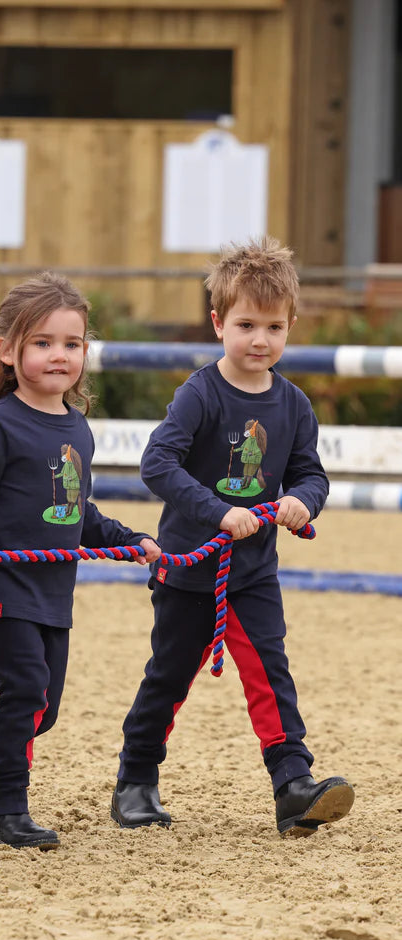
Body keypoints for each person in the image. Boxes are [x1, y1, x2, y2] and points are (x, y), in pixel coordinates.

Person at [111, 237, 354, 837]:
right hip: (188, 570)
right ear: (219, 323)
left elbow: (311, 473)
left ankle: (292, 783)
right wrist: (218, 512)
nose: (259, 340)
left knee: (271, 672)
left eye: (274, 327)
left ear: (290, 327)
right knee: (169, 677)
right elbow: (157, 464)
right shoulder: (199, 394)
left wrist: (301, 501)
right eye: (246, 325)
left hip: (254, 573)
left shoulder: (294, 405)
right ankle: (136, 778)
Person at [0, 273, 161, 849]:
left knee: (41, 710)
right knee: (25, 691)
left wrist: (128, 539)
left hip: (53, 589)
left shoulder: (77, 427)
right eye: (43, 342)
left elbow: (76, 511)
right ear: (8, 350)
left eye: (72, 343)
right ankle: (4, 813)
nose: (60, 355)